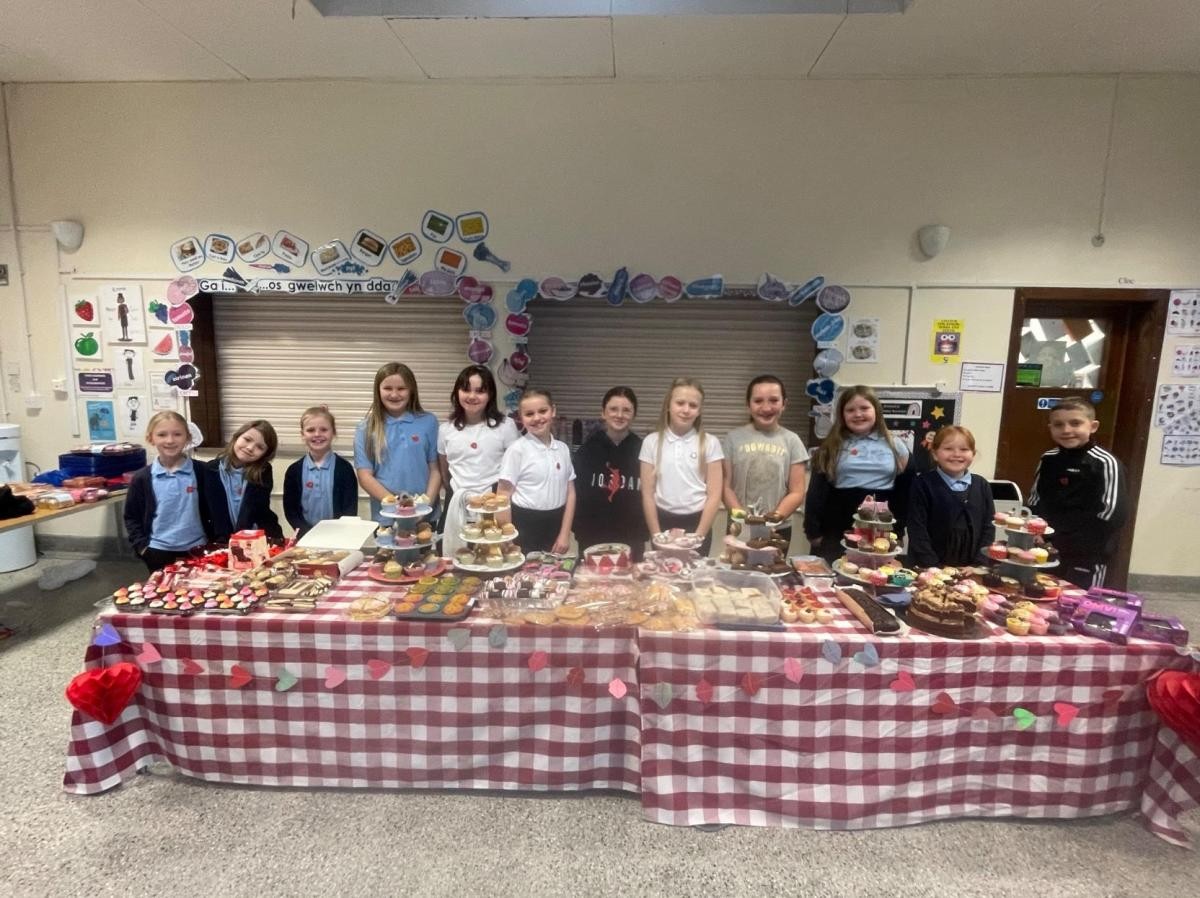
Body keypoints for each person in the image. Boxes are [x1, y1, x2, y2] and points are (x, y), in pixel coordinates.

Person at [1029, 397, 1129, 588]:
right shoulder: (1048, 459)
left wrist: (1070, 541)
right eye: (1059, 424)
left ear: (1093, 426)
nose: (1066, 430)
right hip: (1046, 549)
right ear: (1050, 428)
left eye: (1075, 423)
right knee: (1042, 595)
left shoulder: (1105, 462)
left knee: (1080, 600)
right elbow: (1035, 500)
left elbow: (1113, 514)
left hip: (1087, 554)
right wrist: (1036, 532)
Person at [804, 385, 910, 565]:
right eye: (850, 410)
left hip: (880, 528)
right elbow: (816, 492)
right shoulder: (830, 447)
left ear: (876, 411)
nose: (858, 414)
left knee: (876, 577)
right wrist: (813, 532)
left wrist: (898, 532)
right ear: (842, 414)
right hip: (836, 529)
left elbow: (905, 492)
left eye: (864, 408)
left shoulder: (896, 445)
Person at [438, 365, 519, 555]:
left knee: (492, 558)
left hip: (494, 503)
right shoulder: (445, 429)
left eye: (480, 391)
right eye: (466, 390)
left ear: (490, 394)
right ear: (457, 392)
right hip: (456, 502)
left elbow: (514, 469)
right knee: (452, 558)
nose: (472, 396)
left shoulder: (506, 426)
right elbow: (444, 470)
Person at [639, 378, 724, 556]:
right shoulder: (651, 442)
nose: (686, 410)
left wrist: (699, 535)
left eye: (693, 405)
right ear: (668, 406)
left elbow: (715, 495)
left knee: (693, 572)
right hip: (662, 522)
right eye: (680, 403)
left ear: (699, 411)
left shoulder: (711, 443)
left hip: (697, 523)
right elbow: (647, 493)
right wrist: (656, 533)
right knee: (664, 572)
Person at [722, 375, 809, 545]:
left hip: (779, 528)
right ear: (748, 404)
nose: (766, 407)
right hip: (738, 527)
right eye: (758, 401)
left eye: (774, 400)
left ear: (784, 404)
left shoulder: (792, 441)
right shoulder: (733, 439)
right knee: (736, 563)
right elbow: (725, 487)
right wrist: (743, 520)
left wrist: (773, 520)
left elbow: (797, 492)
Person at [124, 411, 213, 571]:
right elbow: (132, 516)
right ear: (150, 438)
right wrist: (142, 548)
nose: (170, 440)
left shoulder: (202, 472)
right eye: (162, 435)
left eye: (177, 434)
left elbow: (216, 510)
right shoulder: (142, 478)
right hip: (158, 551)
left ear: (188, 437)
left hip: (199, 549)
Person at [354, 362, 441, 523]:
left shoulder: (429, 422)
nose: (394, 394)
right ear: (378, 390)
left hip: (425, 517)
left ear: (411, 390)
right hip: (387, 518)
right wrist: (396, 506)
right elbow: (365, 476)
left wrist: (424, 506)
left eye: (401, 388)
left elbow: (435, 470)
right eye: (388, 388)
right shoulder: (365, 428)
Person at [573, 386, 648, 560]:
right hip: (593, 536)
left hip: (632, 537)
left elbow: (649, 496)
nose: (619, 415)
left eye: (626, 410)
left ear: (634, 414)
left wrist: (644, 533)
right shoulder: (587, 450)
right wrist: (579, 531)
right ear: (603, 413)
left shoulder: (644, 451)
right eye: (613, 409)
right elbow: (577, 495)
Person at [497, 388, 576, 554]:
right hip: (523, 527)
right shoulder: (517, 450)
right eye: (529, 414)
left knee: (554, 570)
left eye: (542, 411)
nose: (537, 418)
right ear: (521, 418)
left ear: (553, 411)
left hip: (555, 525)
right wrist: (507, 537)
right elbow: (503, 495)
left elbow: (570, 493)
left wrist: (564, 534)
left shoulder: (562, 449)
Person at [906, 425, 995, 567]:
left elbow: (989, 527)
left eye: (964, 449)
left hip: (970, 569)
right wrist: (934, 566)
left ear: (973, 454)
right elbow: (917, 529)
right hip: (928, 568)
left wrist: (979, 565)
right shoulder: (922, 484)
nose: (956, 454)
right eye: (948, 449)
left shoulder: (982, 485)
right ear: (935, 454)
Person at [202, 419, 284, 542]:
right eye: (247, 439)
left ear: (265, 454)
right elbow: (212, 511)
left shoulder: (263, 471)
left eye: (260, 447)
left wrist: (239, 539)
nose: (250, 448)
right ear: (237, 437)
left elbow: (254, 510)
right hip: (221, 539)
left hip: (256, 538)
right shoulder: (211, 469)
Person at [282, 406, 359, 538]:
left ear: (333, 432)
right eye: (310, 430)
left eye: (323, 429)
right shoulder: (294, 471)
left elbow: (350, 508)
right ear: (302, 434)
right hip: (305, 537)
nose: (317, 434)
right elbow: (291, 510)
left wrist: (340, 532)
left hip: (338, 537)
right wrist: (306, 533)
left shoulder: (345, 469)